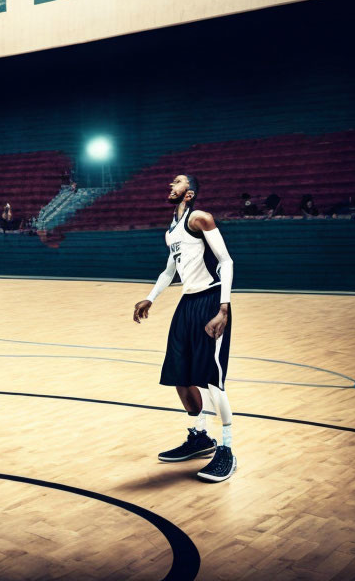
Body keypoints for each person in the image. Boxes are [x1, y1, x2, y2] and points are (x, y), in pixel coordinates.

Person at [133, 174, 237, 483]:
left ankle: (227, 450)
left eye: (177, 182)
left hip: (210, 301)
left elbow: (226, 261)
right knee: (180, 373)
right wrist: (151, 297)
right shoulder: (172, 228)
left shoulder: (200, 218)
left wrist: (223, 308)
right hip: (187, 304)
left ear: (188, 194)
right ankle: (200, 438)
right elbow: (169, 269)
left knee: (212, 379)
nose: (170, 184)